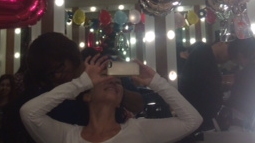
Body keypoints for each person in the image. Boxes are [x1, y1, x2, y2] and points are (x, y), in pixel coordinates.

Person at [20, 54, 202, 143]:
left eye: (118, 81)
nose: (113, 81)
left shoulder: (139, 130)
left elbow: (192, 120)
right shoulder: (67, 136)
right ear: (87, 95)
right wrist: (80, 83)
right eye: (104, 78)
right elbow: (29, 113)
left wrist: (156, 81)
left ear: (120, 100)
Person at [1, 32, 86, 143]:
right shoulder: (35, 100)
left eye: (60, 66)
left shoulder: (91, 93)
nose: (57, 75)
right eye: (51, 73)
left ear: (72, 57)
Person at [178, 39, 230, 136]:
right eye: (229, 49)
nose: (229, 56)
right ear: (220, 43)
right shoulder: (203, 53)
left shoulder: (204, 54)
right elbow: (207, 90)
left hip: (197, 117)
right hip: (196, 119)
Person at [222, 37, 255, 130]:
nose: (240, 65)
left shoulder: (244, 74)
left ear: (240, 56)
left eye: (238, 62)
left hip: (253, 124)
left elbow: (236, 102)